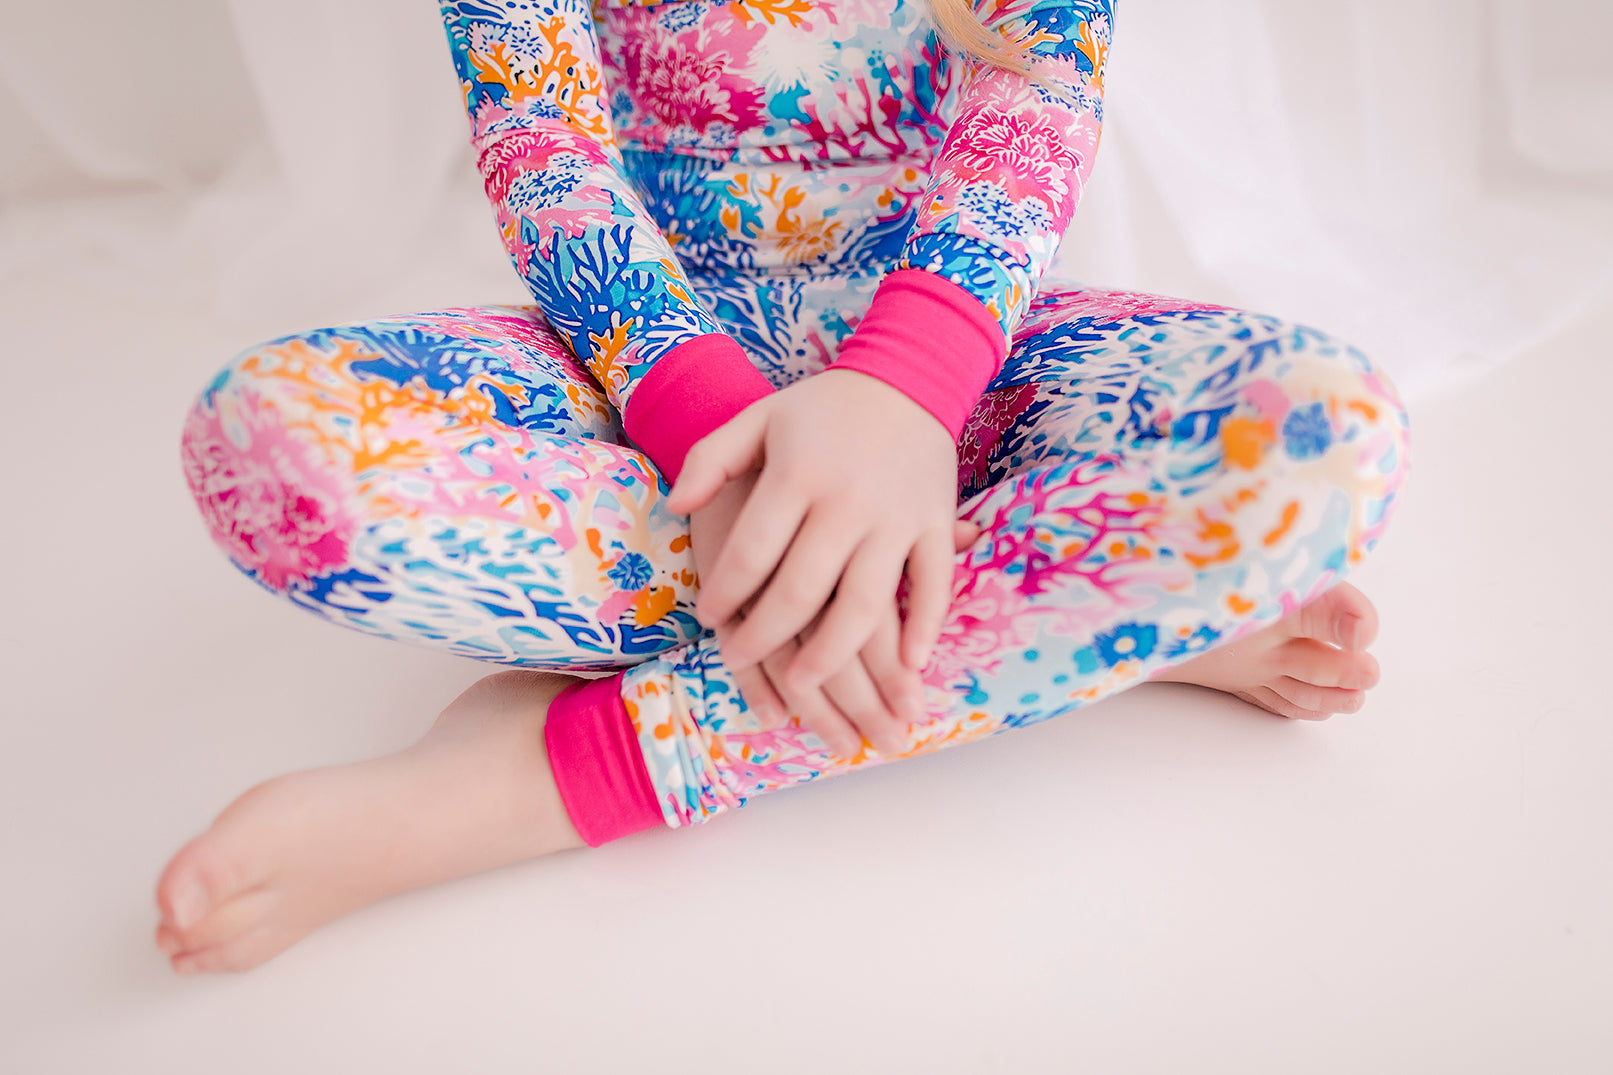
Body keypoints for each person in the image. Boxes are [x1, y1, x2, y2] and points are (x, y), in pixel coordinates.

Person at [154, 0, 1409, 973]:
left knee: (1325, 438)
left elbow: (1035, 91)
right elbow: (540, 143)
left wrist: (902, 397)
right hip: (638, 382)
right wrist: (713, 435)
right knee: (263, 447)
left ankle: (551, 774)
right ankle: (1077, 607)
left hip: (964, 363)